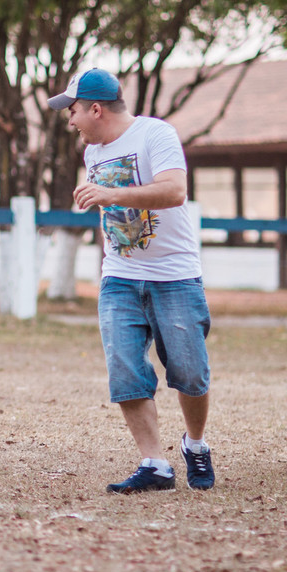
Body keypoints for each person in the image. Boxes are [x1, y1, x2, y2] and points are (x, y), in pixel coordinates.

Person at [49, 68, 216, 493]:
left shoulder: (155, 135)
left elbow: (174, 191)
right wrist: (97, 198)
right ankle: (154, 464)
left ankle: (194, 445)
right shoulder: (93, 153)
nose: (70, 120)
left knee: (190, 374)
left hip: (174, 277)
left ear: (96, 108)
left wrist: (110, 194)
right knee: (125, 372)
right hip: (120, 276)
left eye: (73, 111)